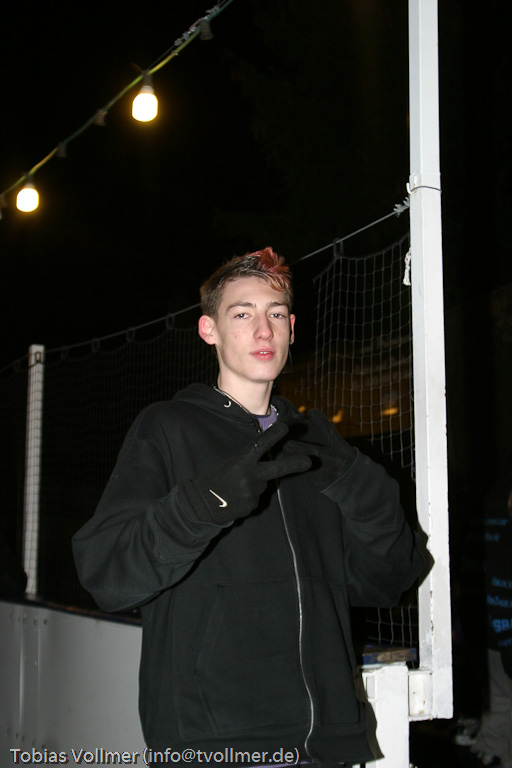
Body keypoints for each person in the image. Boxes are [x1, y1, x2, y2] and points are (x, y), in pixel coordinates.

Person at [72, 247, 424, 767]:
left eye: (276, 313)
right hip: (217, 743)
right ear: (208, 330)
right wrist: (202, 504)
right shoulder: (168, 428)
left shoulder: (314, 448)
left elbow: (386, 580)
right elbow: (106, 573)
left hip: (326, 744)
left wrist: (358, 482)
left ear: (292, 328)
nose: (264, 329)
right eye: (242, 314)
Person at [471, 481, 512, 768]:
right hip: (501, 634)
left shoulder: (492, 510)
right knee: (501, 699)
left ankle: (491, 749)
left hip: (495, 631)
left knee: (500, 700)